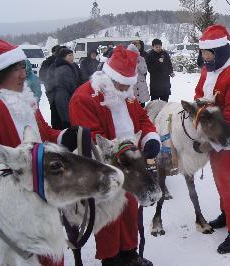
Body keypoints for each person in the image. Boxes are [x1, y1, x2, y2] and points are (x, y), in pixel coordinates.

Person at [0, 37, 80, 266]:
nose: (24, 74)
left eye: (23, 67)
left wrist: (66, 136)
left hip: (39, 204)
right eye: (17, 69)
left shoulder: (23, 100)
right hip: (8, 220)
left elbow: (44, 136)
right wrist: (29, 173)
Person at [69, 45, 160, 266]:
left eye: (129, 84)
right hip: (105, 167)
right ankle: (111, 258)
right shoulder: (85, 97)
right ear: (110, 77)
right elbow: (89, 137)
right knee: (109, 214)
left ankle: (129, 252)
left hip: (130, 165)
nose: (127, 88)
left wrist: (150, 138)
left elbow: (142, 119)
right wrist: (119, 153)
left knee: (129, 209)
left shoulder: (126, 94)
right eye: (122, 83)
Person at [192, 24, 230, 254]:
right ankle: (228, 214)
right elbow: (199, 94)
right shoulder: (209, 71)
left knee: (226, 181)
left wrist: (212, 139)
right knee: (220, 180)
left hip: (229, 138)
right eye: (203, 53)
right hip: (214, 134)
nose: (204, 57)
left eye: (208, 53)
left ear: (220, 52)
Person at [51, 48, 81, 130]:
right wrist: (78, 94)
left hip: (64, 96)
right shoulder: (64, 68)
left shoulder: (67, 66)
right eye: (70, 55)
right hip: (64, 97)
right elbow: (70, 85)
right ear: (64, 57)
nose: (72, 57)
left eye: (72, 55)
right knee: (67, 120)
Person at [127, 43, 150, 107]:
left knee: (142, 105)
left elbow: (144, 71)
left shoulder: (141, 59)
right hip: (131, 86)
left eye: (138, 47)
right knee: (132, 106)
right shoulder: (126, 60)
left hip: (141, 85)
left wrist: (138, 62)